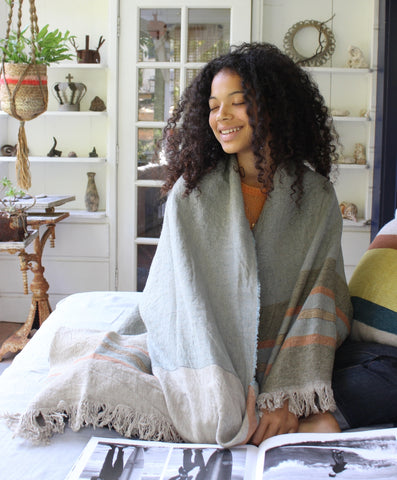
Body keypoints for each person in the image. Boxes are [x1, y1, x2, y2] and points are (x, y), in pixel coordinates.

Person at [157, 42, 352, 445]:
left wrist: (284, 397)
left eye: (238, 102)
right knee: (217, 410)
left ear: (273, 107)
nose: (222, 117)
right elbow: (181, 299)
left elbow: (321, 297)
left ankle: (269, 417)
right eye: (213, 106)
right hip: (210, 343)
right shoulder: (190, 195)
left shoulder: (315, 196)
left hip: (283, 349)